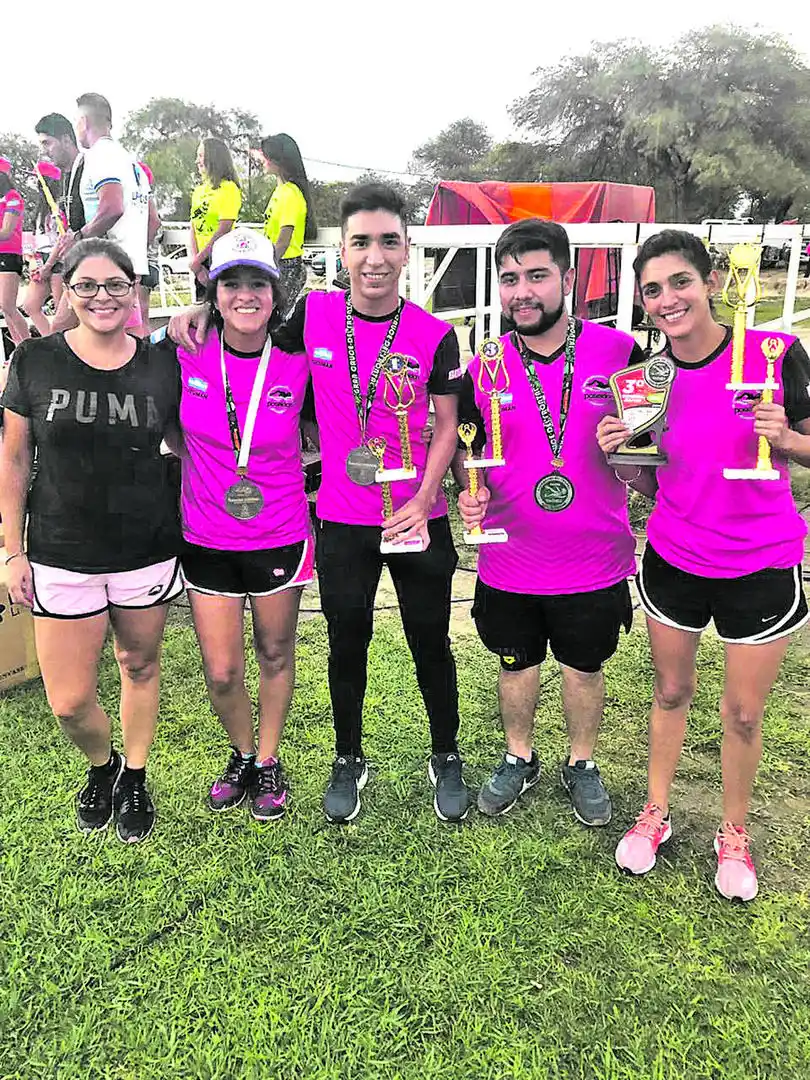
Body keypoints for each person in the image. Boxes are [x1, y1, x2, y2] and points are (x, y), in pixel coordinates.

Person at [168, 183, 470, 825]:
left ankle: (445, 753)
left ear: (407, 249)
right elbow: (243, 327)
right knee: (346, 641)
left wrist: (424, 497)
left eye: (389, 241)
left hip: (419, 518)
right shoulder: (312, 316)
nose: (375, 257)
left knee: (430, 641)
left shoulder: (435, 335)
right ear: (345, 249)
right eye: (361, 242)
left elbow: (449, 427)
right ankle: (348, 757)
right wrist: (194, 312)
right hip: (340, 520)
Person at [597, 228, 810, 901]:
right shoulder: (642, 379)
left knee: (744, 713)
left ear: (711, 282)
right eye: (653, 289)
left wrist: (788, 437)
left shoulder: (777, 353)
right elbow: (650, 482)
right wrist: (619, 452)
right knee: (668, 693)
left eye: (680, 282)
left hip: (761, 561)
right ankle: (655, 812)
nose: (668, 299)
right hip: (676, 558)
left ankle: (734, 832)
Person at [455, 219, 641, 826]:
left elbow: (649, 451)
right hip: (510, 558)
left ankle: (581, 763)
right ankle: (519, 756)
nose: (521, 292)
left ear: (568, 279)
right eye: (509, 279)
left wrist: (633, 456)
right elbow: (466, 450)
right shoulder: (484, 366)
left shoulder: (620, 354)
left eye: (536, 276)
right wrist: (469, 492)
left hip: (595, 558)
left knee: (584, 667)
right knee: (515, 662)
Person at [0, 238, 183, 843]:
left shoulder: (163, 362)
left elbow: (189, 438)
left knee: (138, 664)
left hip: (145, 547)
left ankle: (134, 774)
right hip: (61, 549)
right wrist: (12, 549)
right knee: (70, 700)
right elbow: (14, 458)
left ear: (134, 290)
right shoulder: (34, 362)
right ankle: (101, 766)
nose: (102, 297)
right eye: (87, 286)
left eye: (116, 285)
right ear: (66, 291)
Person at [158, 227, 312, 821]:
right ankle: (242, 753)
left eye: (257, 283)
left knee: (275, 653)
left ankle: (269, 761)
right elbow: (170, 426)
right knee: (222, 670)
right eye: (231, 284)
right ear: (213, 292)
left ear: (274, 294)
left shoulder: (296, 362)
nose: (245, 295)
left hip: (279, 533)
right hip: (206, 538)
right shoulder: (185, 350)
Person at [52, 93, 150, 335]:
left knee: (60, 329)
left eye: (76, 123)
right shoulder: (132, 162)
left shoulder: (99, 155)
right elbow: (153, 221)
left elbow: (112, 207)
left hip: (105, 264)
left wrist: (78, 237)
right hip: (130, 264)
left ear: (83, 122)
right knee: (127, 337)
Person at [253, 133, 316, 311]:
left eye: (266, 155)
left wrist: (264, 268)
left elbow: (283, 240)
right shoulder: (280, 191)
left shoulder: (290, 193)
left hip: (286, 266)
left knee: (274, 321)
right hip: (277, 262)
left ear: (277, 160)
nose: (263, 160)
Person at [189, 138, 241, 296]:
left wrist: (200, 258)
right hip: (200, 260)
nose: (197, 160)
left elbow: (224, 229)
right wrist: (196, 262)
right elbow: (193, 227)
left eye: (201, 155)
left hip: (219, 256)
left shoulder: (229, 189)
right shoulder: (199, 191)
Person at [22, 162, 68, 337]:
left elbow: (61, 240)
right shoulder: (41, 208)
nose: (35, 184)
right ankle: (50, 344)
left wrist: (48, 265)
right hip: (42, 259)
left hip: (58, 261)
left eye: (38, 180)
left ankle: (65, 350)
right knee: (30, 305)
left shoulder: (60, 207)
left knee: (62, 314)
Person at [34, 112, 85, 237]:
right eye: (41, 145)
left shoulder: (90, 169)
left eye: (47, 143)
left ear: (66, 140)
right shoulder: (61, 179)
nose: (43, 151)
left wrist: (77, 238)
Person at [0, 158, 29, 347]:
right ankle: (19, 349)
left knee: (8, 305)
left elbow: (6, 232)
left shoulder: (13, 197)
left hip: (9, 255)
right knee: (5, 308)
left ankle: (29, 348)